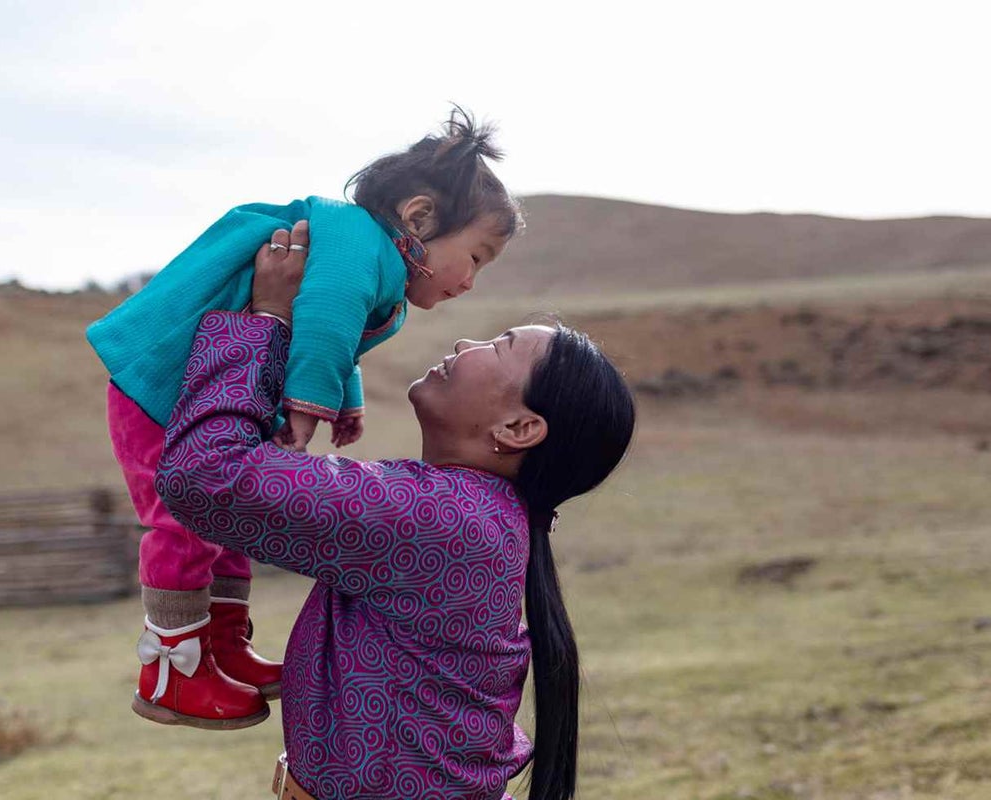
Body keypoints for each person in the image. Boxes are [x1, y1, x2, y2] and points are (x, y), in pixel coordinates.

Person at [152, 226, 636, 799]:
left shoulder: (445, 517)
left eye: (498, 346)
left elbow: (207, 475)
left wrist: (268, 320)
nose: (464, 345)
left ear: (520, 428)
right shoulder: (471, 512)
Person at [87, 108, 522, 729]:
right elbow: (323, 318)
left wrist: (345, 397)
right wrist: (306, 408)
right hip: (161, 388)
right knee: (183, 521)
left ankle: (223, 645)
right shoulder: (353, 241)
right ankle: (171, 673)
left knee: (225, 522)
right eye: (475, 257)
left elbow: (339, 337)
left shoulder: (368, 260)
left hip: (210, 390)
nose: (471, 281)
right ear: (420, 218)